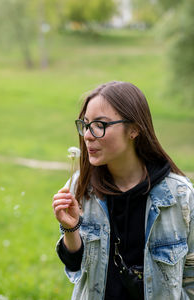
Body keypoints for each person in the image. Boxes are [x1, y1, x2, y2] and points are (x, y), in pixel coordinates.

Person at [52, 81, 194, 300]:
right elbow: (74, 265)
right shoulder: (80, 186)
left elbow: (191, 276)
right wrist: (71, 229)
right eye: (86, 124)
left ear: (134, 129)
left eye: (100, 125)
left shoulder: (180, 196)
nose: (88, 135)